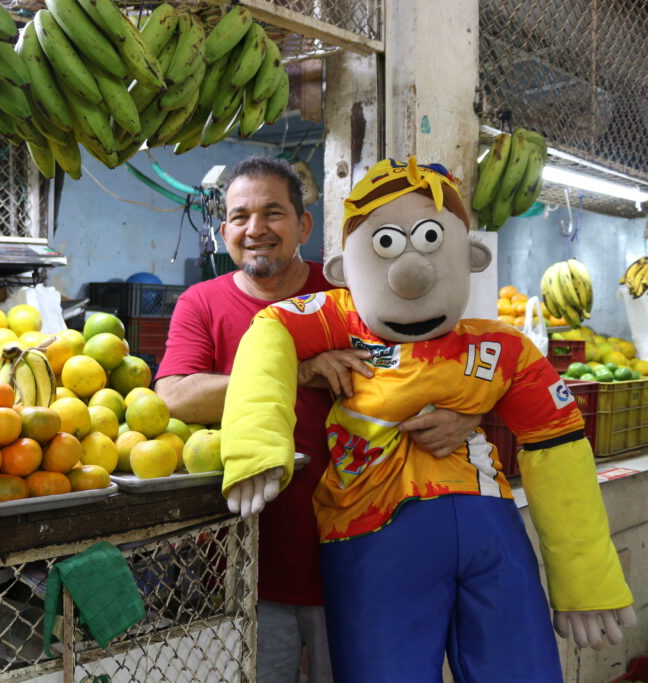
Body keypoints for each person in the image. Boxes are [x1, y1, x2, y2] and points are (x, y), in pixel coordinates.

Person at [220, 157, 635, 681]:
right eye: (387, 245)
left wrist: (585, 578)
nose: (410, 274)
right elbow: (268, 335)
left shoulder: (502, 346)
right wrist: (256, 445)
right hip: (373, 536)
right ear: (346, 272)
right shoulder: (337, 317)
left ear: (469, 257)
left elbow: (558, 445)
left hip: (491, 535)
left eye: (432, 240)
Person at [153, 155, 480, 683]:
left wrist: (467, 413)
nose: (255, 229)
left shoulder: (354, 298)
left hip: (363, 554)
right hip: (250, 564)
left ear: (304, 225)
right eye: (239, 217)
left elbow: (443, 366)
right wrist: (298, 372)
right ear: (224, 230)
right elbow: (174, 396)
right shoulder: (202, 304)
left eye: (272, 213)